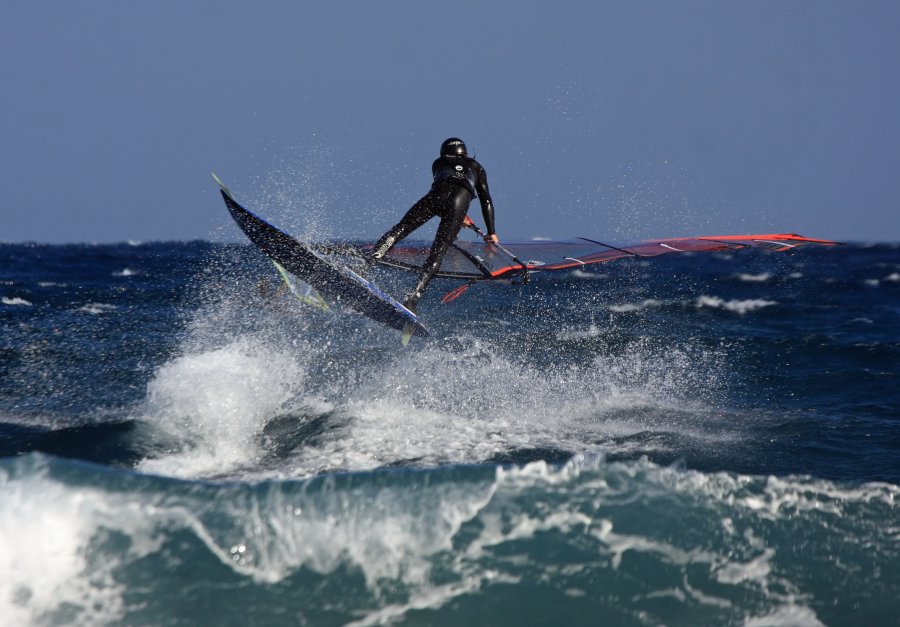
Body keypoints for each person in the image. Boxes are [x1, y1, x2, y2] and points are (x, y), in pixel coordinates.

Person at [370, 137, 499, 313]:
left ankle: (370, 260)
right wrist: (491, 232)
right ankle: (412, 299)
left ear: (444, 152)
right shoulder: (477, 167)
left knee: (401, 228)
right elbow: (486, 200)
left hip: (437, 195)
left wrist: (457, 215)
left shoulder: (438, 162)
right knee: (438, 252)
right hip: (460, 202)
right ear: (466, 153)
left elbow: (445, 191)